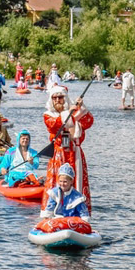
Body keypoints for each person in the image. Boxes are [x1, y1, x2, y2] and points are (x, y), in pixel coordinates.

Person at [43, 85, 94, 213]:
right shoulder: (48, 115)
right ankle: (52, 211)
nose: (57, 100)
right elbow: (54, 125)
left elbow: (88, 122)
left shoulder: (74, 112)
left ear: (65, 98)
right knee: (58, 182)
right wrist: (71, 112)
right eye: (54, 98)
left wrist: (80, 108)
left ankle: (79, 211)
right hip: (59, 153)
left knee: (77, 182)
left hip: (75, 153)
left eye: (60, 97)